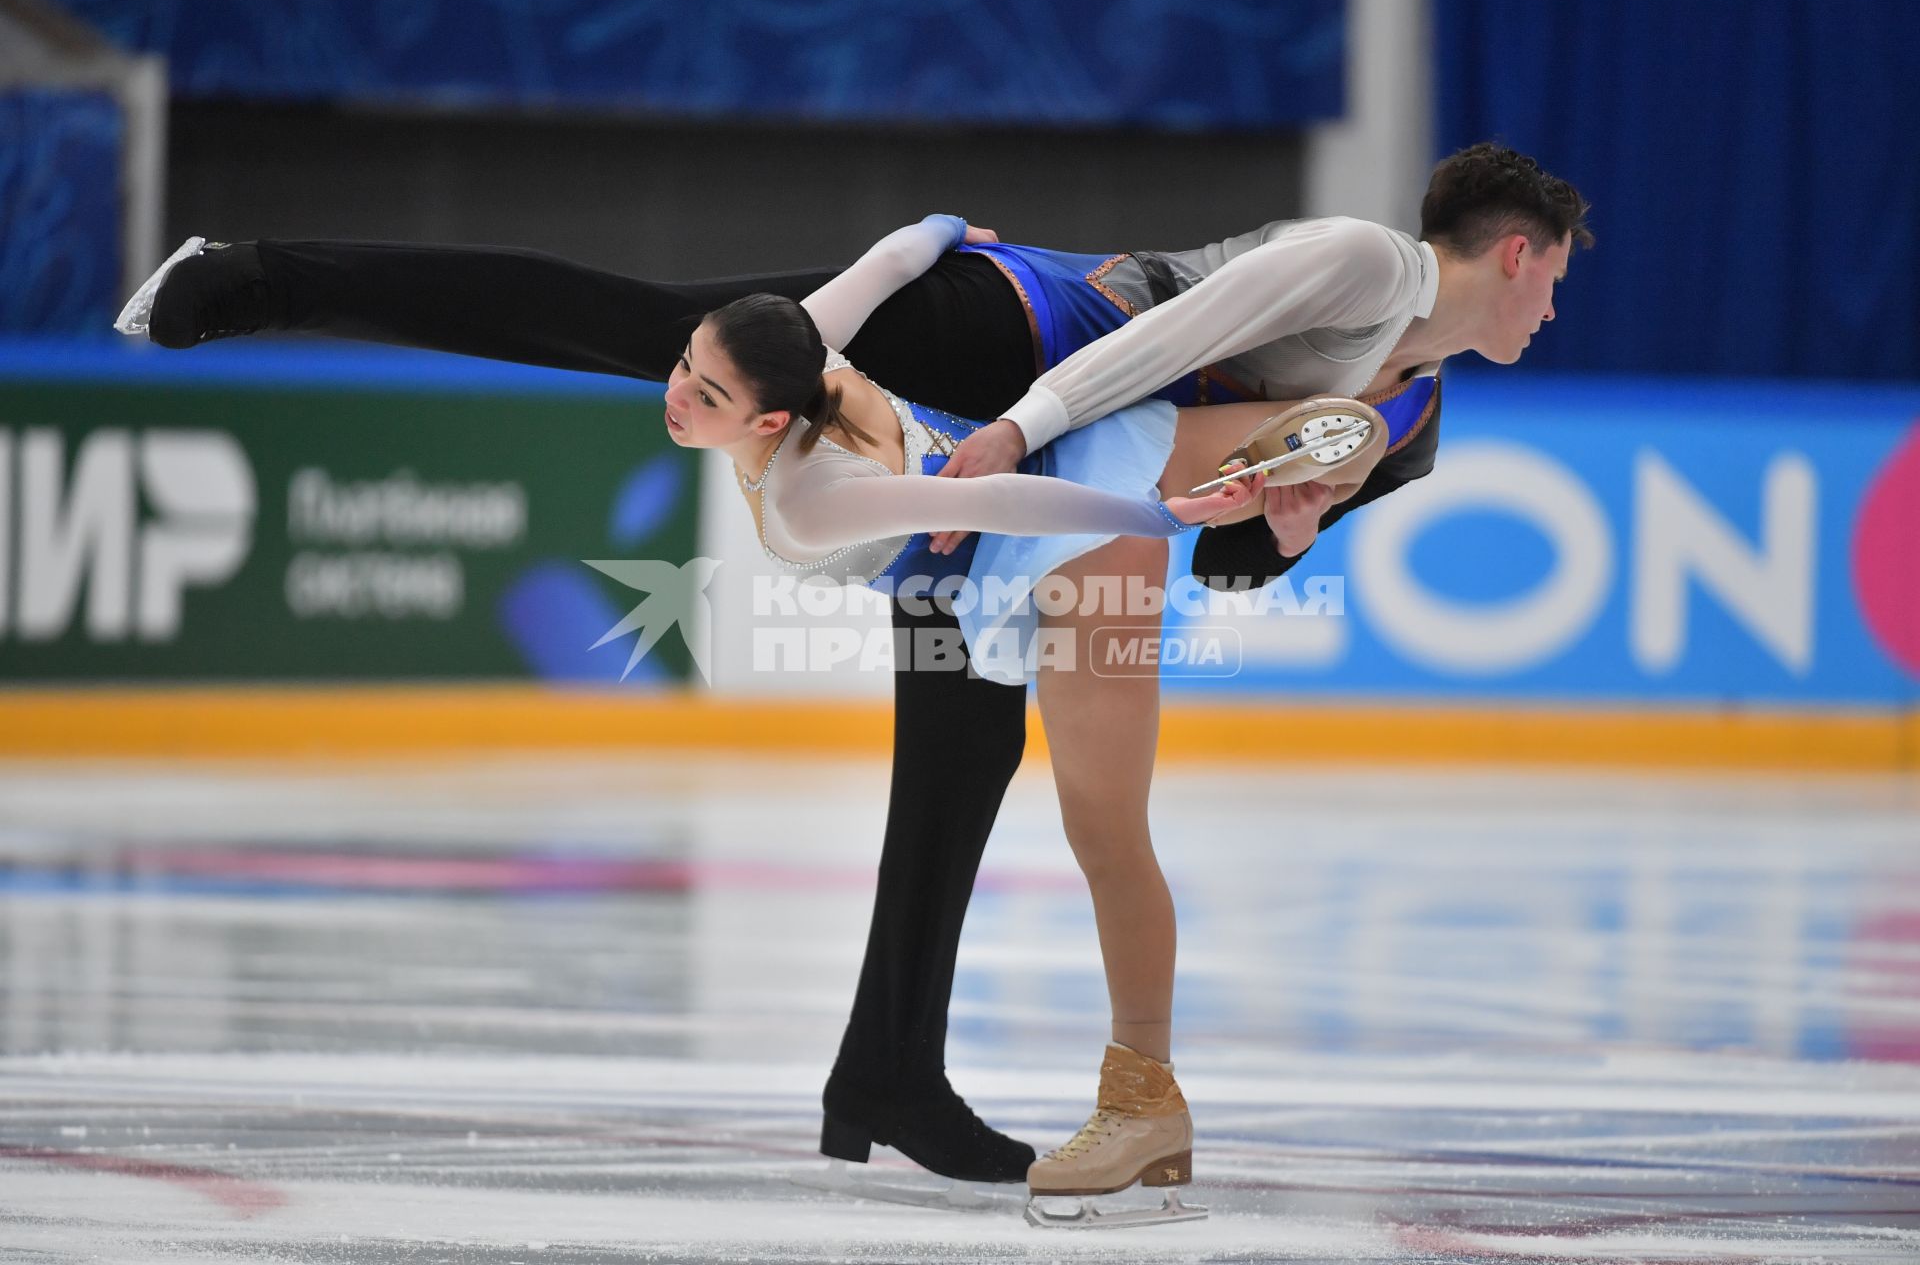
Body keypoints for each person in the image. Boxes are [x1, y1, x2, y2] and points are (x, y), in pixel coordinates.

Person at [116, 143, 1592, 1198]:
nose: (1548, 312)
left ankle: (888, 1072)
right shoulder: (1363, 264)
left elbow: (1241, 554)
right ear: (1514, 250)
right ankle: (257, 279)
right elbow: (1163, 342)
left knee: (961, 752)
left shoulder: (1418, 414)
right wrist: (1014, 428)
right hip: (1009, 346)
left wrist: (1275, 516)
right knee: (645, 325)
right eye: (1552, 282)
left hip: (1052, 471)